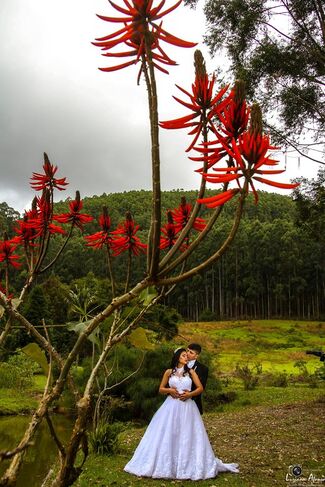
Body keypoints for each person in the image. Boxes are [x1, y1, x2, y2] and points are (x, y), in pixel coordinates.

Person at [124, 348, 239, 480]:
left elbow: (200, 388)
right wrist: (170, 390)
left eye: (187, 355)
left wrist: (190, 394)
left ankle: (186, 465)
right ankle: (165, 464)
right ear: (178, 357)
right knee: (168, 433)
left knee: (186, 434)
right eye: (184, 355)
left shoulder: (190, 372)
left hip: (187, 407)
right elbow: (161, 389)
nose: (187, 357)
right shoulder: (168, 372)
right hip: (170, 407)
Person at [185, 342, 208, 414]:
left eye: (191, 352)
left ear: (196, 356)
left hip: (193, 402)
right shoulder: (178, 364)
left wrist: (189, 395)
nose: (187, 353)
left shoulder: (203, 369)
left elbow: (202, 387)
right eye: (187, 351)